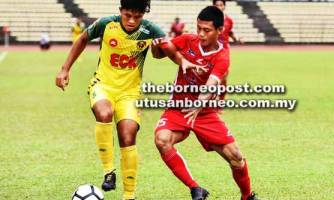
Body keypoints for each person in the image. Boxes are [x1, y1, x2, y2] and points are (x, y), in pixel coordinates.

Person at [55, 0, 167, 199]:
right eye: (128, 15)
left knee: (128, 136)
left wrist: (159, 48)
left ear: (143, 15)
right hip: (103, 85)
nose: (132, 21)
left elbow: (159, 55)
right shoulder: (106, 24)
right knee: (104, 113)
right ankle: (109, 172)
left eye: (137, 17)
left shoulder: (151, 30)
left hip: (130, 93)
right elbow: (82, 39)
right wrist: (65, 69)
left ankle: (129, 196)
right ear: (120, 11)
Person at [154, 6, 259, 200]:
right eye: (199, 28)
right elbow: (159, 53)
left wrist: (199, 104)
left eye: (207, 30)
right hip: (178, 109)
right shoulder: (187, 40)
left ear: (220, 31)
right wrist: (156, 44)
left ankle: (247, 196)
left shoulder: (222, 56)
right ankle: (195, 188)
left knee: (236, 158)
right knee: (162, 139)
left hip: (205, 113)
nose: (201, 34)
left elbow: (211, 85)